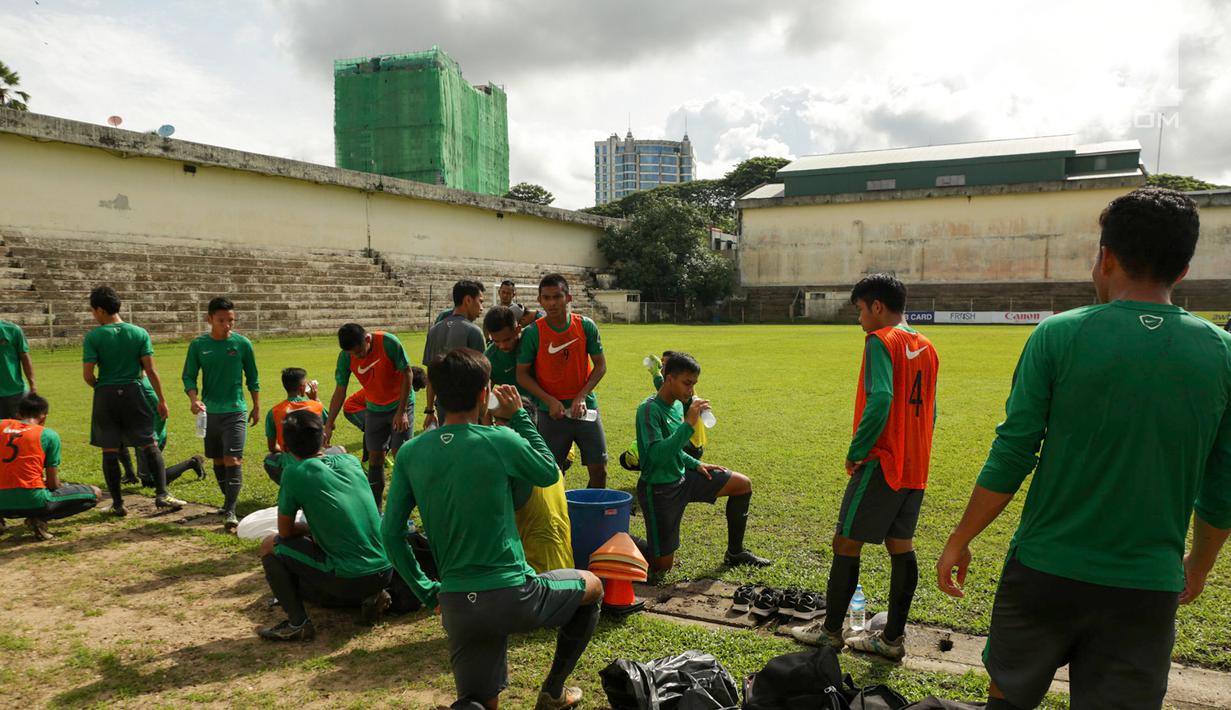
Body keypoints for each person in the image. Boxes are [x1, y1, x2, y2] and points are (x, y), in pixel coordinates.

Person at [937, 188, 1231, 710]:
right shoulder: (1222, 354)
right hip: (1146, 586)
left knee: (1006, 702)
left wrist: (961, 536)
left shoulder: (1057, 336)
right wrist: (1201, 563)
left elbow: (1012, 453)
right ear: (1183, 270)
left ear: (1106, 258)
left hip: (1044, 573)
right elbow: (1223, 481)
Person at [382, 349, 602, 710]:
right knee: (593, 586)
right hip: (514, 596)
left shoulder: (410, 453)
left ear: (434, 392)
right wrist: (519, 418)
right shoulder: (501, 440)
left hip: (455, 604)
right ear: (485, 393)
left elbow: (391, 534)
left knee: (479, 702)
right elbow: (549, 471)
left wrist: (426, 591)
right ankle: (554, 692)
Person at [791, 273, 939, 660]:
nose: (858, 319)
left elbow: (881, 398)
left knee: (846, 542)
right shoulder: (927, 346)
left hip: (883, 461)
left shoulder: (880, 340)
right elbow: (931, 411)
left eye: (859, 310)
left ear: (877, 306)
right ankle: (891, 641)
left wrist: (857, 450)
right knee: (901, 545)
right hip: (915, 465)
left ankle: (830, 633)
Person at [257, 410, 398, 641]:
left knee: (268, 545)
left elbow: (285, 532)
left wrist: (309, 528)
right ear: (323, 438)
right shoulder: (350, 461)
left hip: (349, 578)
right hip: (386, 570)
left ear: (286, 447)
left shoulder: (294, 473)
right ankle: (372, 594)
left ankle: (298, 624)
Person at [633, 352, 769, 572]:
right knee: (661, 567)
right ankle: (620, 538)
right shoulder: (648, 410)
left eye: (694, 384)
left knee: (742, 485)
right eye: (687, 383)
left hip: (684, 477)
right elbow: (655, 456)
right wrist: (688, 424)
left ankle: (735, 552)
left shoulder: (678, 405)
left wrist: (696, 464)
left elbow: (675, 450)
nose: (691, 390)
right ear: (669, 379)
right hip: (659, 490)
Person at [486, 305, 574, 573]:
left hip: (534, 416)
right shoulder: (491, 358)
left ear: (518, 330)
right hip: (521, 419)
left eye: (507, 340)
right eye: (496, 341)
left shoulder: (534, 343)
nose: (502, 346)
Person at [83, 286, 185, 514]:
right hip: (134, 391)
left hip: (106, 395)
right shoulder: (139, 333)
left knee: (109, 450)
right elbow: (151, 370)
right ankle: (162, 494)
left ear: (99, 310)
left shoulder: (94, 336)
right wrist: (161, 399)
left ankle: (118, 504)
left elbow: (88, 375)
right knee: (150, 443)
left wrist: (102, 387)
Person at [516, 273, 609, 489]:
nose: (551, 303)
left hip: (585, 409)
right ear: (539, 301)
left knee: (599, 470)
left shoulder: (585, 326)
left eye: (557, 297)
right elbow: (522, 374)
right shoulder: (533, 333)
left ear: (568, 298)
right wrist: (548, 400)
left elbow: (601, 366)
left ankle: (590, 518)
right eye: (546, 298)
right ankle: (561, 519)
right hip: (550, 413)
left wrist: (582, 395)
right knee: (552, 474)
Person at [182, 296, 260, 532]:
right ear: (210, 319)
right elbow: (188, 376)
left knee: (233, 459)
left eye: (231, 320)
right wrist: (194, 400)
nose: (228, 325)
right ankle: (229, 503)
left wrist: (256, 405)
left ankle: (230, 510)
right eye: (222, 320)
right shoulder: (198, 345)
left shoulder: (242, 344)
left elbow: (253, 377)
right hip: (210, 413)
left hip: (235, 410)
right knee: (217, 460)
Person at [323, 323, 412, 510]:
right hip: (374, 409)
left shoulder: (388, 343)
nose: (357, 357)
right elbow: (340, 391)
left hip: (399, 404)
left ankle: (403, 507)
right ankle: (375, 509)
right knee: (375, 457)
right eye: (352, 354)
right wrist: (329, 423)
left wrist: (402, 411)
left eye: (360, 352)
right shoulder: (346, 357)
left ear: (368, 340)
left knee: (400, 455)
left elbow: (407, 373)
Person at [0, 393, 100, 540]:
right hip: (32, 500)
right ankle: (39, 518)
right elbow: (53, 484)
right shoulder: (48, 435)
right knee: (95, 493)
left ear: (18, 414)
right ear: (44, 416)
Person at [620, 351, 706, 471]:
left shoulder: (682, 395)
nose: (661, 367)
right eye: (661, 364)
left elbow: (658, 454)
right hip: (692, 446)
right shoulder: (680, 391)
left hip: (689, 447)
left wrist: (656, 374)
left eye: (664, 365)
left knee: (632, 456)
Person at [117, 375, 206, 488]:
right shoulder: (125, 380)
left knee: (150, 483)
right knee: (114, 436)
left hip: (151, 435)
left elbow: (161, 414)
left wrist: (152, 438)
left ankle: (193, 462)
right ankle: (130, 474)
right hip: (137, 429)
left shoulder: (141, 385)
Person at [423, 279, 486, 428]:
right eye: (480, 301)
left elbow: (431, 376)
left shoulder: (434, 330)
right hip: (468, 409)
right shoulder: (473, 331)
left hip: (443, 406)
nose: (482, 308)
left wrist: (430, 411)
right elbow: (483, 377)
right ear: (468, 300)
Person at [264, 368, 327, 485]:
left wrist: (288, 450)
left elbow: (272, 447)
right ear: (303, 387)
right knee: (338, 450)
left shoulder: (274, 412)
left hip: (291, 464)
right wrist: (315, 399)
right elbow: (330, 426)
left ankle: (289, 484)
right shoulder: (316, 406)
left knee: (269, 459)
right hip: (318, 460)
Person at [0, 319, 35, 419]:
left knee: (22, 430)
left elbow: (25, 358)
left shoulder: (13, 330)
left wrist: (33, 385)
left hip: (16, 392)